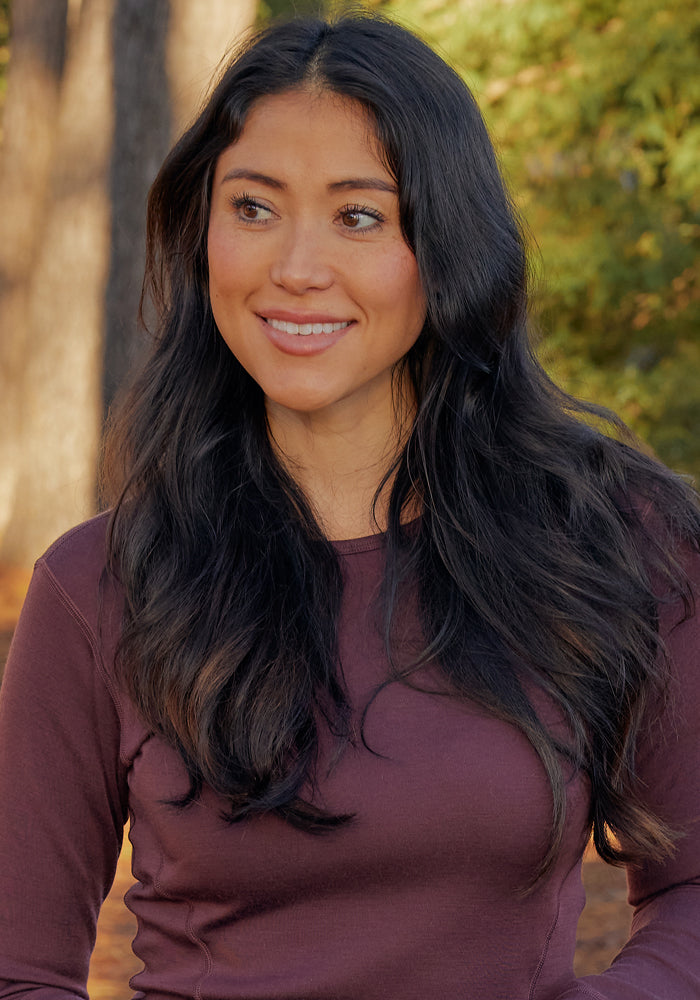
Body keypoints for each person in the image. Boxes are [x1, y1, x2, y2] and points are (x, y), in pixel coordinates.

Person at [0, 11, 699, 1000]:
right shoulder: (98, 589)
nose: (293, 266)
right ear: (203, 234)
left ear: (444, 243)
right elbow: (18, 969)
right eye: (253, 208)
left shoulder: (614, 542)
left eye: (358, 215)